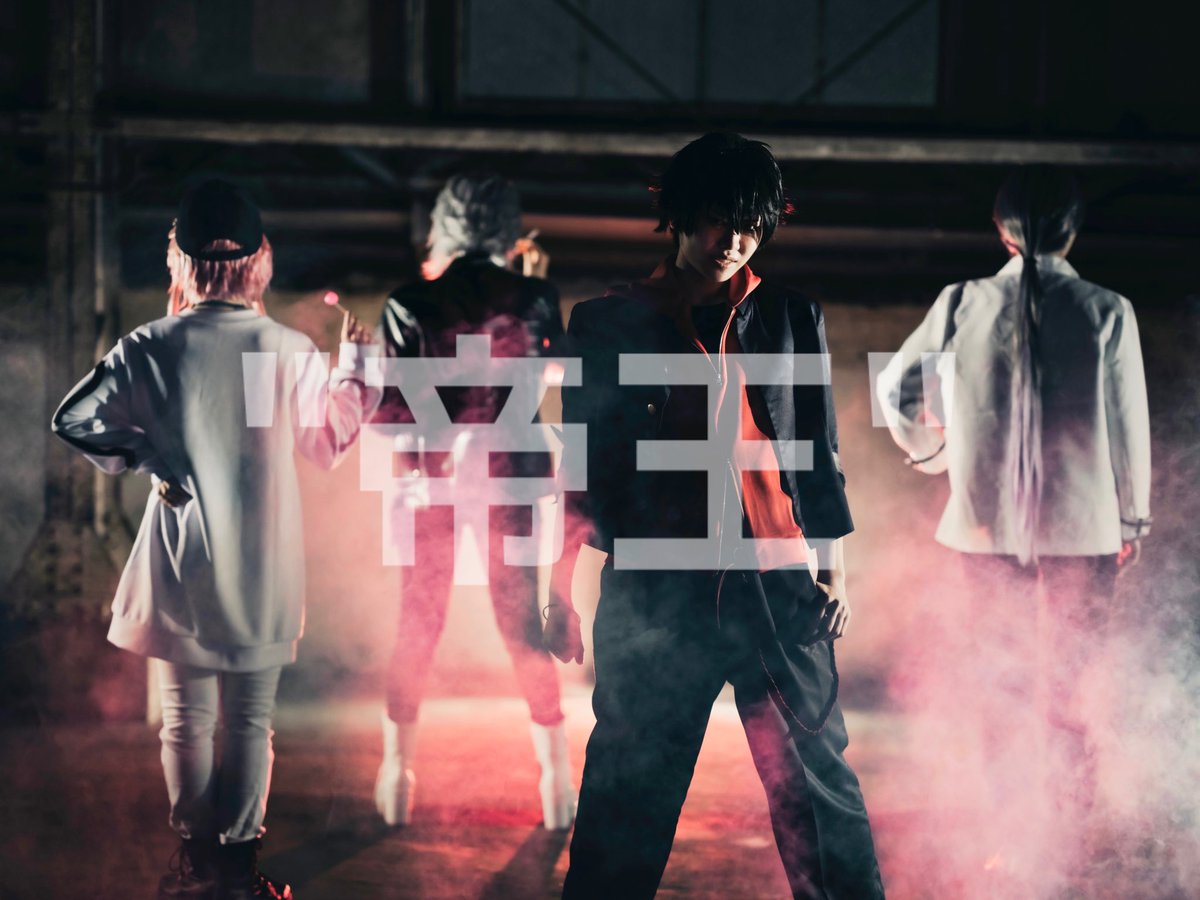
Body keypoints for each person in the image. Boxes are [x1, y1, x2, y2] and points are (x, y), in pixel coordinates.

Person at [545, 133, 885, 899]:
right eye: (717, 221)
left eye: (751, 226)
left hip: (777, 588)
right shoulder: (607, 322)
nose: (733, 241)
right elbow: (582, 468)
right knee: (627, 794)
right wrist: (557, 590)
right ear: (678, 215)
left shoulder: (792, 317)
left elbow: (817, 454)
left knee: (818, 794)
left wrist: (833, 573)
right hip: (657, 593)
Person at [51, 179, 381, 900]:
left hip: (180, 560)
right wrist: (358, 370)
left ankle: (195, 867)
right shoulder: (286, 349)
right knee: (250, 723)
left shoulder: (151, 346)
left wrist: (150, 459)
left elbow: (73, 420)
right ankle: (236, 873)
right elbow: (326, 444)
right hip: (263, 563)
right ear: (258, 259)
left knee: (184, 724)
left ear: (182, 258)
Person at [875, 167, 1152, 858]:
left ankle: (1010, 834)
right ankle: (1070, 835)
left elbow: (896, 388)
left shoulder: (961, 302)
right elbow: (1128, 424)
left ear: (1000, 231)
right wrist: (1132, 519)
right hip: (1084, 531)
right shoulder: (1107, 308)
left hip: (984, 529)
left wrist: (935, 452)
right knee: (1073, 682)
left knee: (1003, 681)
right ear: (1072, 231)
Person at [371, 172, 574, 829]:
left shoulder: (407, 302)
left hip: (429, 480)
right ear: (508, 227)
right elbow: (555, 371)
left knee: (417, 622)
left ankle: (396, 776)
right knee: (522, 627)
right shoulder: (536, 297)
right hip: (511, 475)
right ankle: (557, 785)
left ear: (444, 225)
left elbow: (389, 412)